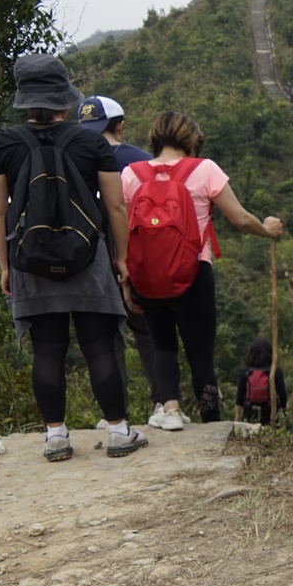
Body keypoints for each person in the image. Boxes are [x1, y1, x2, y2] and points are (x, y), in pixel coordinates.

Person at [0, 55, 146, 461]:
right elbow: (116, 206)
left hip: (31, 260)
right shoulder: (91, 142)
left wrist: (5, 265)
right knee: (98, 345)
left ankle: (55, 437)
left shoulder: (4, 144)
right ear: (64, 98)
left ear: (24, 99)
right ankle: (118, 432)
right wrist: (121, 258)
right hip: (88, 255)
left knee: (47, 349)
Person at [122, 111, 284, 426]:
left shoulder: (131, 174)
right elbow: (240, 219)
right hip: (194, 274)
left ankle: (170, 411)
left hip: (147, 277)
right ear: (192, 139)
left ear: (156, 138)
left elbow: (126, 232)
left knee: (162, 346)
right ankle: (211, 421)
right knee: (200, 354)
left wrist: (127, 280)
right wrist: (267, 230)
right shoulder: (204, 169)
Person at [80, 95, 172, 430]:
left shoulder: (75, 158)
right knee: (148, 333)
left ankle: (114, 414)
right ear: (120, 126)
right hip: (138, 257)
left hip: (89, 261)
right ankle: (165, 403)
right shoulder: (142, 162)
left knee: (106, 338)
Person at [234, 338, 290, 425]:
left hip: (249, 415)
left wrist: (237, 419)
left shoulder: (245, 371)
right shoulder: (275, 371)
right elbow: (282, 396)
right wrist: (286, 414)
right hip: (269, 415)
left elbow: (239, 398)